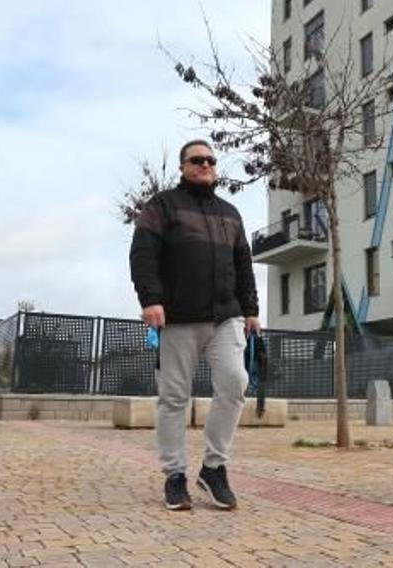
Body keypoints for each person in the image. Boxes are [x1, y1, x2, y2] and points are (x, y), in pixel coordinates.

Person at [130, 139, 260, 512]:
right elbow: (143, 255)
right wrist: (150, 299)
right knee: (173, 397)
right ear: (183, 167)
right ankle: (174, 476)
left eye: (210, 160)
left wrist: (250, 309)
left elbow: (244, 266)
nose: (205, 165)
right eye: (197, 160)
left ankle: (214, 468)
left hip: (225, 317)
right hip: (178, 317)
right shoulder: (162, 206)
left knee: (235, 384)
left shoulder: (230, 213)